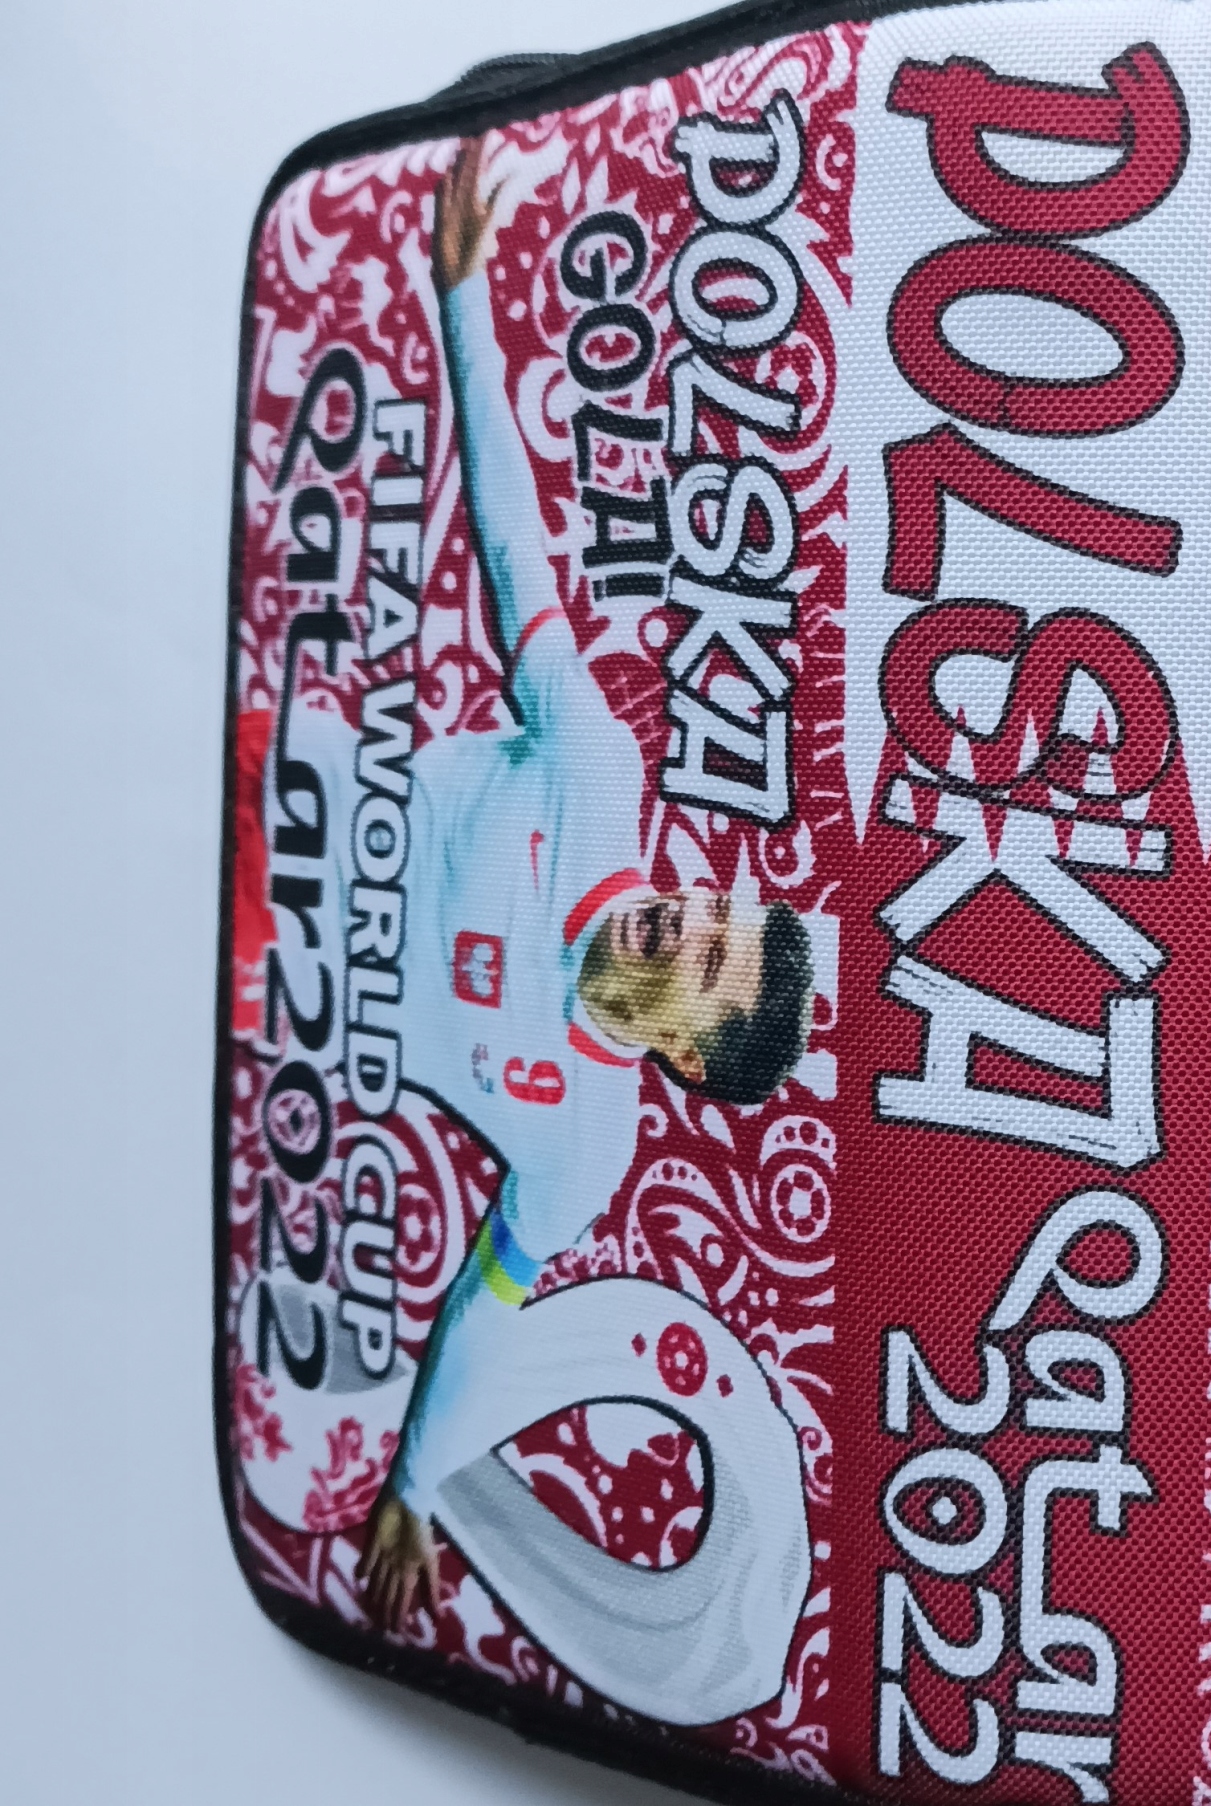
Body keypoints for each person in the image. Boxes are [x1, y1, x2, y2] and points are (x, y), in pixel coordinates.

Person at [342, 138, 815, 1624]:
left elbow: (487, 1312)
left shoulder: (585, 1148)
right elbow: (513, 542)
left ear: (685, 1052)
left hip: (267, 1008)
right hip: (277, 799)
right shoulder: (601, 772)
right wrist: (463, 303)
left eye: (713, 958)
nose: (696, 910)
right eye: (723, 909)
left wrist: (418, 1484)